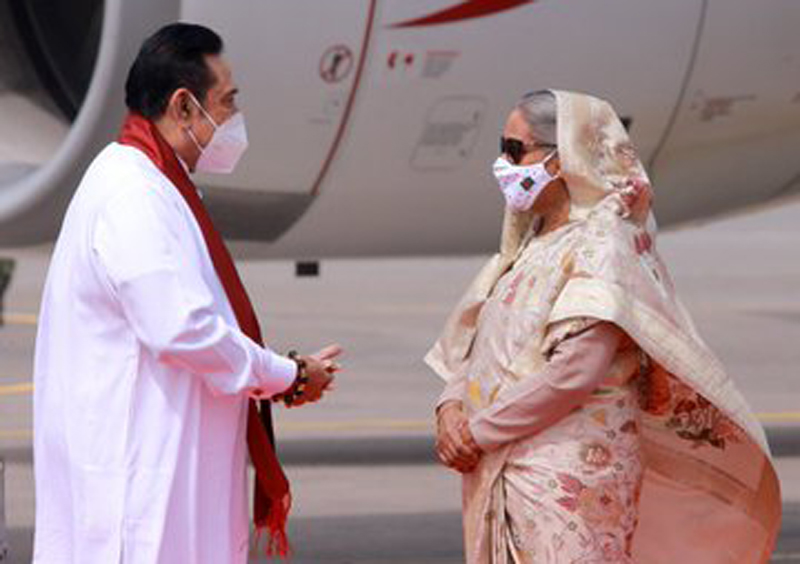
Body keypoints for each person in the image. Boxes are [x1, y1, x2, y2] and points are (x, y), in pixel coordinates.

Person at [32, 23, 341, 564]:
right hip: (141, 493)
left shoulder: (152, 181)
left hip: (162, 477)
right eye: (227, 102)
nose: (234, 119)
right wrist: (286, 375)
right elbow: (181, 329)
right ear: (183, 106)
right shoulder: (134, 194)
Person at [428, 90, 781, 563]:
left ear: (562, 159)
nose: (502, 164)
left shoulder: (602, 247)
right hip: (506, 464)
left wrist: (478, 434)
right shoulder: (530, 245)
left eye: (514, 150)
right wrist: (450, 409)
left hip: (565, 482)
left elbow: (575, 372)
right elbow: (481, 345)